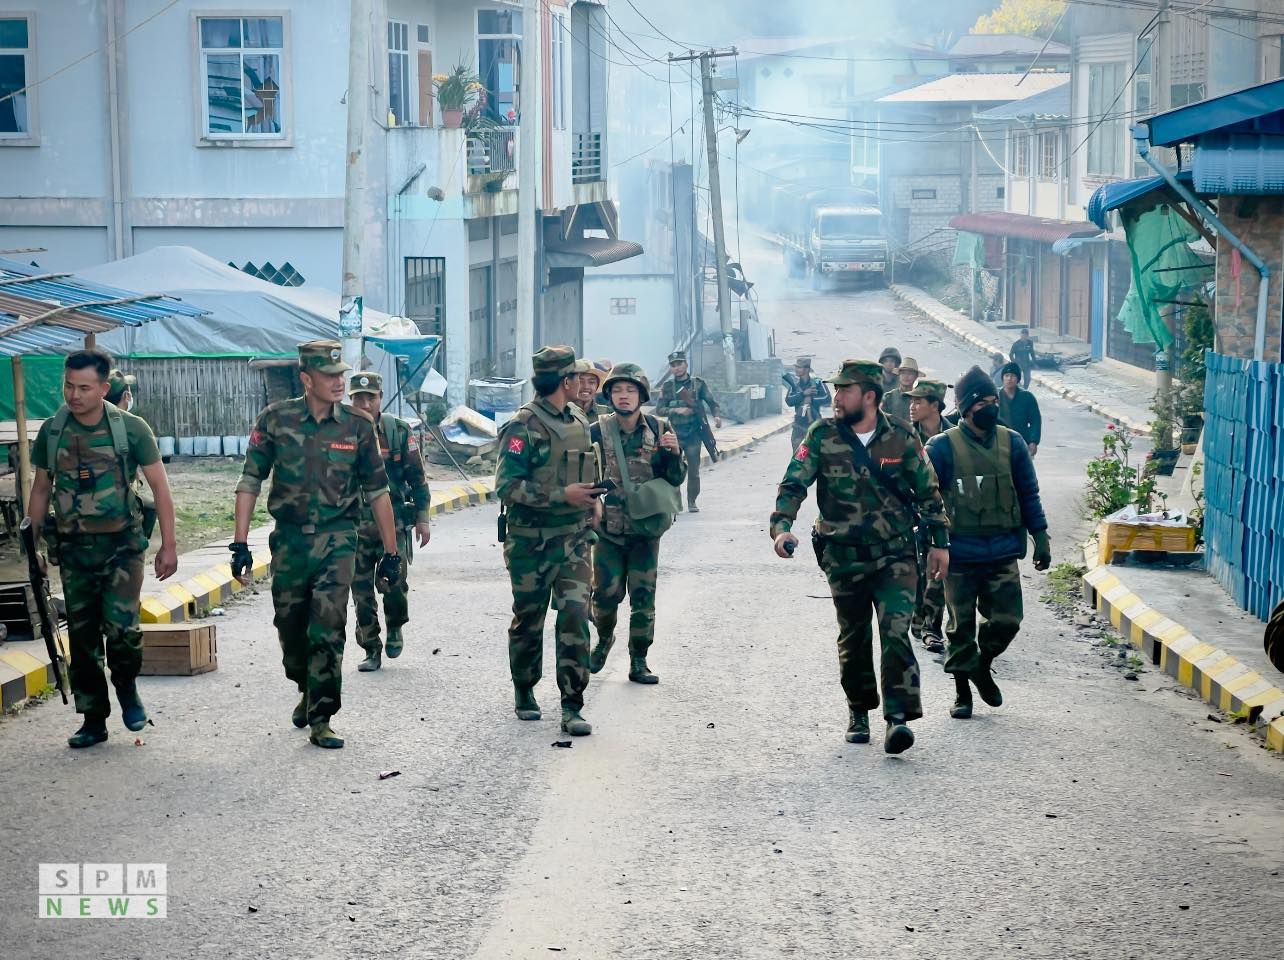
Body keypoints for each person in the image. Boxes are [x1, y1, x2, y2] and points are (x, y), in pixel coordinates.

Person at [770, 359, 950, 754]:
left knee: (895, 632)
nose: (836, 397)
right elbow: (794, 481)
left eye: (844, 390)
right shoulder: (821, 435)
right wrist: (782, 526)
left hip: (896, 555)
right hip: (843, 555)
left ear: (869, 396)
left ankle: (898, 718)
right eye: (836, 390)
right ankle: (859, 710)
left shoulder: (901, 435)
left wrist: (939, 543)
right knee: (853, 636)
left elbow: (928, 491)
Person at [231, 340, 402, 750]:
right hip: (289, 542)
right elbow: (250, 480)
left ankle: (322, 715)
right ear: (307, 380)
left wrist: (392, 553)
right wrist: (239, 543)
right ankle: (305, 686)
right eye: (330, 376)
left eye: (341, 374)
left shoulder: (358, 427)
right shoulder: (275, 419)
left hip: (338, 539)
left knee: (327, 626)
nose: (339, 382)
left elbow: (378, 493)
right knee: (290, 629)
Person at [25, 348, 179, 749]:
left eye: (84, 388)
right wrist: (33, 548)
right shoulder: (53, 431)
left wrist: (169, 546)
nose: (74, 395)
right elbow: (41, 489)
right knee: (82, 635)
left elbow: (160, 487)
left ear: (104, 388)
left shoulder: (130, 428)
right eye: (68, 386)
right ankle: (93, 717)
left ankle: (126, 687)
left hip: (122, 547)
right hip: (74, 550)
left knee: (122, 630)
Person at [925, 367, 1051, 721]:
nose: (990, 406)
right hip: (959, 555)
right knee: (960, 627)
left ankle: (983, 664)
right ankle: (962, 694)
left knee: (1009, 620)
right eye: (983, 401)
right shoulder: (941, 448)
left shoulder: (1011, 442)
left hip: (1001, 551)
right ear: (966, 407)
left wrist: (1040, 537)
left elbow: (1029, 493)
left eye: (994, 400)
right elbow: (927, 500)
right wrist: (931, 545)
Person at [495, 345, 601, 736]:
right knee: (530, 619)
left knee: (575, 616)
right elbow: (506, 486)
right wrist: (561, 496)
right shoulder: (522, 426)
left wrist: (592, 502)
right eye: (577, 378)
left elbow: (585, 464)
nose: (583, 385)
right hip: (530, 543)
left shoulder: (577, 417)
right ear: (565, 381)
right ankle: (524, 689)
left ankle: (572, 705)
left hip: (574, 539)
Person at [588, 363, 686, 684]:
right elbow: (581, 473)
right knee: (604, 595)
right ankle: (604, 638)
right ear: (610, 396)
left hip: (646, 531)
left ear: (641, 395)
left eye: (630, 390)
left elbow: (674, 478)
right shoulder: (597, 430)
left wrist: (673, 455)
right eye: (617, 390)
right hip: (608, 530)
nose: (624, 396)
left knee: (643, 599)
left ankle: (639, 660)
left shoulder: (659, 428)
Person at [347, 372, 433, 673]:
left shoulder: (397, 431)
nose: (365, 402)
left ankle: (395, 625)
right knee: (360, 592)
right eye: (359, 397)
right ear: (351, 400)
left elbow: (417, 478)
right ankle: (371, 647)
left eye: (371, 397)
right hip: (353, 526)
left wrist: (422, 518)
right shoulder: (340, 433)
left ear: (380, 397)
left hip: (391, 525)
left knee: (393, 585)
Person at [908, 378, 950, 654]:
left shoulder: (953, 438)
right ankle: (917, 618)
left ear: (935, 406)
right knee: (914, 572)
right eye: (911, 401)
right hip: (907, 516)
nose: (912, 407)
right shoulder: (902, 436)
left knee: (936, 571)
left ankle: (931, 629)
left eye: (918, 401)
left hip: (940, 516)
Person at [655, 350, 721, 514]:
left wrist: (717, 417)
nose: (676, 368)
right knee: (673, 469)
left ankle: (692, 501)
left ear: (686, 364)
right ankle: (675, 502)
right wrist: (677, 410)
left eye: (679, 364)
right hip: (674, 435)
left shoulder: (698, 384)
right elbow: (659, 409)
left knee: (693, 470)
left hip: (693, 434)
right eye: (673, 365)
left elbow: (712, 402)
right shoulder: (668, 386)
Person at [785, 357, 831, 450]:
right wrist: (803, 394)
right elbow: (789, 400)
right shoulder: (795, 384)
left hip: (814, 424)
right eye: (796, 367)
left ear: (806, 369)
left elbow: (827, 398)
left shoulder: (817, 382)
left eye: (799, 367)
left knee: (815, 456)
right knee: (800, 457)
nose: (796, 369)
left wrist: (812, 400)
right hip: (799, 425)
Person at [997, 361, 1041, 456]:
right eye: (1007, 375)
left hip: (1022, 443)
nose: (1009, 379)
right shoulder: (995, 397)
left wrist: (1033, 441)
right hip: (998, 443)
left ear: (1018, 379)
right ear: (1002, 378)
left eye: (1013, 376)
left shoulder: (1027, 397)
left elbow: (1035, 421)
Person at [880, 356, 922, 423]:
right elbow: (881, 421)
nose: (906, 376)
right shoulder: (889, 397)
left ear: (916, 376)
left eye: (910, 373)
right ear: (899, 375)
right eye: (903, 373)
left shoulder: (921, 398)